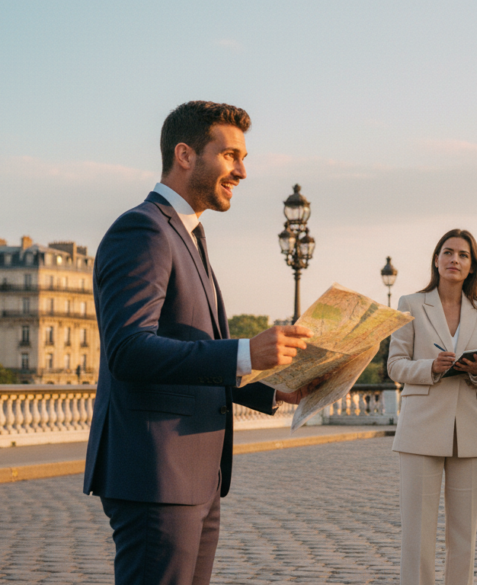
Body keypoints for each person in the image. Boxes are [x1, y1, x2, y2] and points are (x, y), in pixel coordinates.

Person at [83, 101, 314, 585]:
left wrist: (269, 388)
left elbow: (191, 352)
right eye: (230, 155)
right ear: (185, 155)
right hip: (156, 473)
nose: (243, 171)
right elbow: (129, 349)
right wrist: (247, 351)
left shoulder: (188, 234)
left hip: (194, 475)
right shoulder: (144, 228)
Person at [387, 229, 477, 585]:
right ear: (436, 260)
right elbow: (395, 364)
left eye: (463, 255)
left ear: (472, 266)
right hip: (421, 428)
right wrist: (430, 367)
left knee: (464, 536)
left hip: (468, 428)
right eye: (448, 252)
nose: (455, 260)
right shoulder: (410, 304)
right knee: (417, 535)